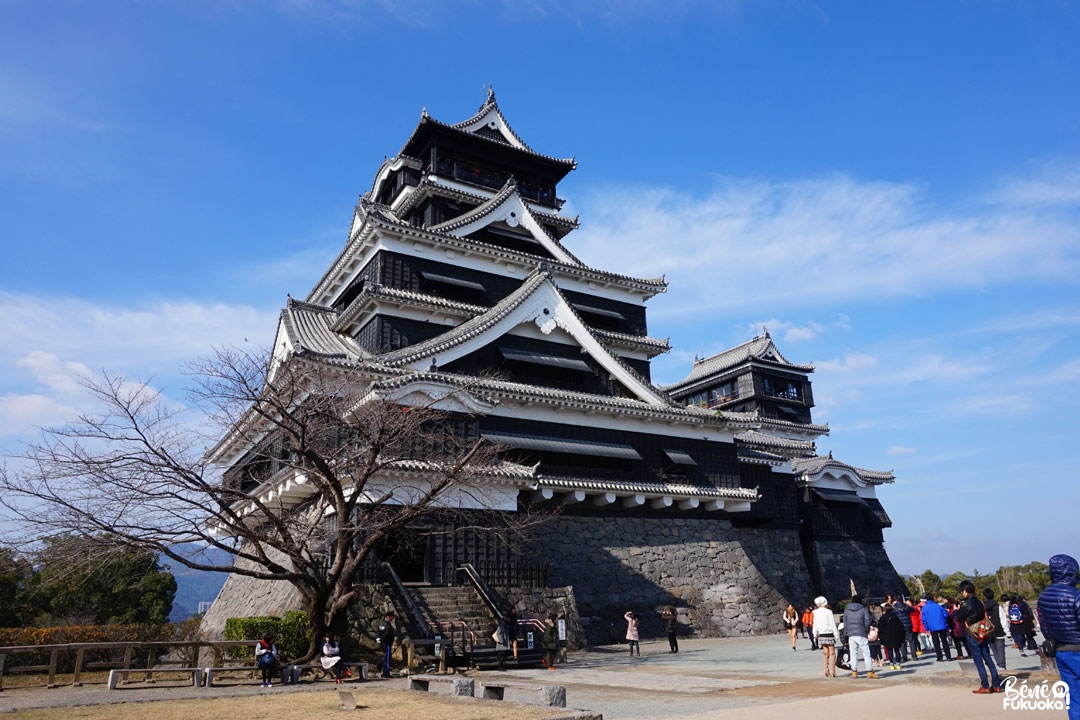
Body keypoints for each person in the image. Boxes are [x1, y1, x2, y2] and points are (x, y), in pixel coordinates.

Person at [1037, 553, 1080, 720]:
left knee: (1072, 694)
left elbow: (1044, 626)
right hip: (1078, 648)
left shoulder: (1044, 596)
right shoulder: (1075, 596)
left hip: (1060, 650)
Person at [955, 580, 1001, 694]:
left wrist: (956, 610)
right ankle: (996, 685)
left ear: (965, 591)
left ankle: (985, 685)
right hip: (982, 631)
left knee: (978, 660)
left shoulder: (966, 604)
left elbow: (959, 618)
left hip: (972, 633)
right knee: (988, 658)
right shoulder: (980, 602)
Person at [842, 594, 879, 679]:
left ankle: (854, 672)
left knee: (853, 654)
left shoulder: (847, 610)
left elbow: (845, 623)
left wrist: (846, 634)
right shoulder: (863, 609)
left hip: (851, 634)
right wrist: (866, 630)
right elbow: (867, 621)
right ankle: (869, 671)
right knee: (866, 653)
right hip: (861, 633)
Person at [920, 593, 952, 662]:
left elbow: (924, 620)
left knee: (936, 642)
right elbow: (945, 615)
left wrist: (927, 628)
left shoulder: (924, 608)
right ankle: (948, 656)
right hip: (942, 625)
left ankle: (939, 657)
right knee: (944, 641)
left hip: (932, 627)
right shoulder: (938, 606)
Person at [812, 596, 839, 677]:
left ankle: (826, 670)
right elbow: (832, 623)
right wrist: (836, 633)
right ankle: (833, 671)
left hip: (821, 634)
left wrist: (814, 633)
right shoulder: (828, 612)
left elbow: (815, 624)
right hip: (829, 633)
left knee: (825, 652)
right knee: (832, 653)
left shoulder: (815, 612)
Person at [982, 589, 1007, 670]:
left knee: (994, 649)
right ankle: (1002, 665)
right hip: (998, 630)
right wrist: (1007, 631)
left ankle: (998, 663)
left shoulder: (982, 607)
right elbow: (1003, 619)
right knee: (1000, 649)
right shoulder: (997, 606)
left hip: (987, 630)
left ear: (984, 597)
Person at [877, 603, 906, 671]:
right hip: (896, 635)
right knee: (897, 650)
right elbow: (901, 627)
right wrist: (902, 637)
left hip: (887, 636)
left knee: (890, 650)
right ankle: (898, 664)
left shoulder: (882, 618)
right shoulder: (895, 617)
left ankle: (892, 664)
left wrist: (881, 637)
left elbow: (880, 628)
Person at [376, 611, 395, 678]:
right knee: (387, 658)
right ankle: (386, 673)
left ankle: (379, 665)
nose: (392, 618)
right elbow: (386, 634)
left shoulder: (382, 624)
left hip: (384, 643)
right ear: (388, 617)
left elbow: (378, 632)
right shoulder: (387, 625)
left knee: (387, 657)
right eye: (392, 617)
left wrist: (378, 638)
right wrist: (381, 639)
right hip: (386, 643)